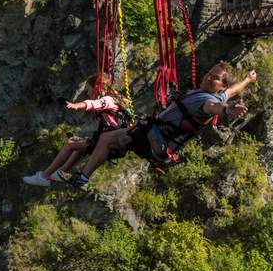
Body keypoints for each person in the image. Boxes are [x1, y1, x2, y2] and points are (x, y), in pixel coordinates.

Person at [68, 62, 257, 188]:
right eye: (209, 73)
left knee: (107, 138)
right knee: (112, 137)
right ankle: (84, 167)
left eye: (214, 78)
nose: (208, 77)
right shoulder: (217, 93)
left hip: (156, 139)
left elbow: (215, 107)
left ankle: (83, 178)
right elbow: (233, 91)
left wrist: (227, 111)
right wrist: (248, 80)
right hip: (158, 138)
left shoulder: (207, 101)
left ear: (220, 85)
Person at [23, 83, 135, 187]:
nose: (87, 92)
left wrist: (76, 105)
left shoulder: (108, 99)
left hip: (108, 143)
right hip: (114, 143)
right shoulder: (116, 101)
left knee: (70, 145)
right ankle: (61, 172)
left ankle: (44, 177)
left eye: (88, 89)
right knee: (77, 144)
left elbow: (93, 104)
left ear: (96, 88)